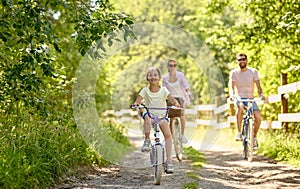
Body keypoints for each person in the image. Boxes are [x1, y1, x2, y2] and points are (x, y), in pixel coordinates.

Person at [133, 67, 180, 173]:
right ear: (147, 78)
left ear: (159, 78)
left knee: (168, 136)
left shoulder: (163, 90)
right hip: (150, 115)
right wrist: (136, 103)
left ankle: (169, 161)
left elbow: (171, 99)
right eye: (150, 75)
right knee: (146, 119)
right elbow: (139, 100)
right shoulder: (145, 90)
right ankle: (147, 140)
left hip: (162, 116)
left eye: (155, 75)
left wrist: (176, 104)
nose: (153, 77)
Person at [229, 53, 265, 150]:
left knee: (258, 117)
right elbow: (231, 87)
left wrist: (261, 94)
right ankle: (239, 133)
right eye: (240, 60)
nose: (242, 61)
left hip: (251, 99)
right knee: (240, 107)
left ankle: (253, 138)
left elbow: (258, 86)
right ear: (237, 61)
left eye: (244, 59)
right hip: (240, 98)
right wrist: (232, 95)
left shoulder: (253, 71)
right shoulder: (234, 73)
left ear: (247, 60)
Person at [162, 59, 193, 143]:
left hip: (180, 97)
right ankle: (172, 137)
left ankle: (182, 135)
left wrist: (188, 92)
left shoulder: (180, 75)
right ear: (168, 67)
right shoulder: (165, 78)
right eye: (171, 65)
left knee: (182, 115)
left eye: (174, 65)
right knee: (171, 118)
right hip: (170, 98)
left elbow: (185, 85)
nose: (173, 67)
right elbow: (163, 89)